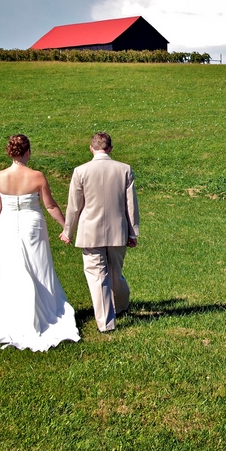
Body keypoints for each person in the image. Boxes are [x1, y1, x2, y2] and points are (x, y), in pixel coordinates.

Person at [0, 134, 80, 351]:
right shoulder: (37, 176)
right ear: (28, 152)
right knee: (39, 268)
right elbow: (50, 206)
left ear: (10, 152)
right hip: (32, 224)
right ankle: (46, 313)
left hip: (7, 224)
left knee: (10, 270)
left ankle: (13, 317)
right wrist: (66, 227)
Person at [59, 132, 139, 333]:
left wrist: (68, 230)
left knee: (97, 277)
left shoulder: (81, 171)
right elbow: (131, 204)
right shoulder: (124, 169)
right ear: (110, 148)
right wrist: (133, 232)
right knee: (115, 273)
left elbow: (74, 206)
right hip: (118, 230)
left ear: (91, 148)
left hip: (90, 231)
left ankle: (106, 324)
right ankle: (121, 306)